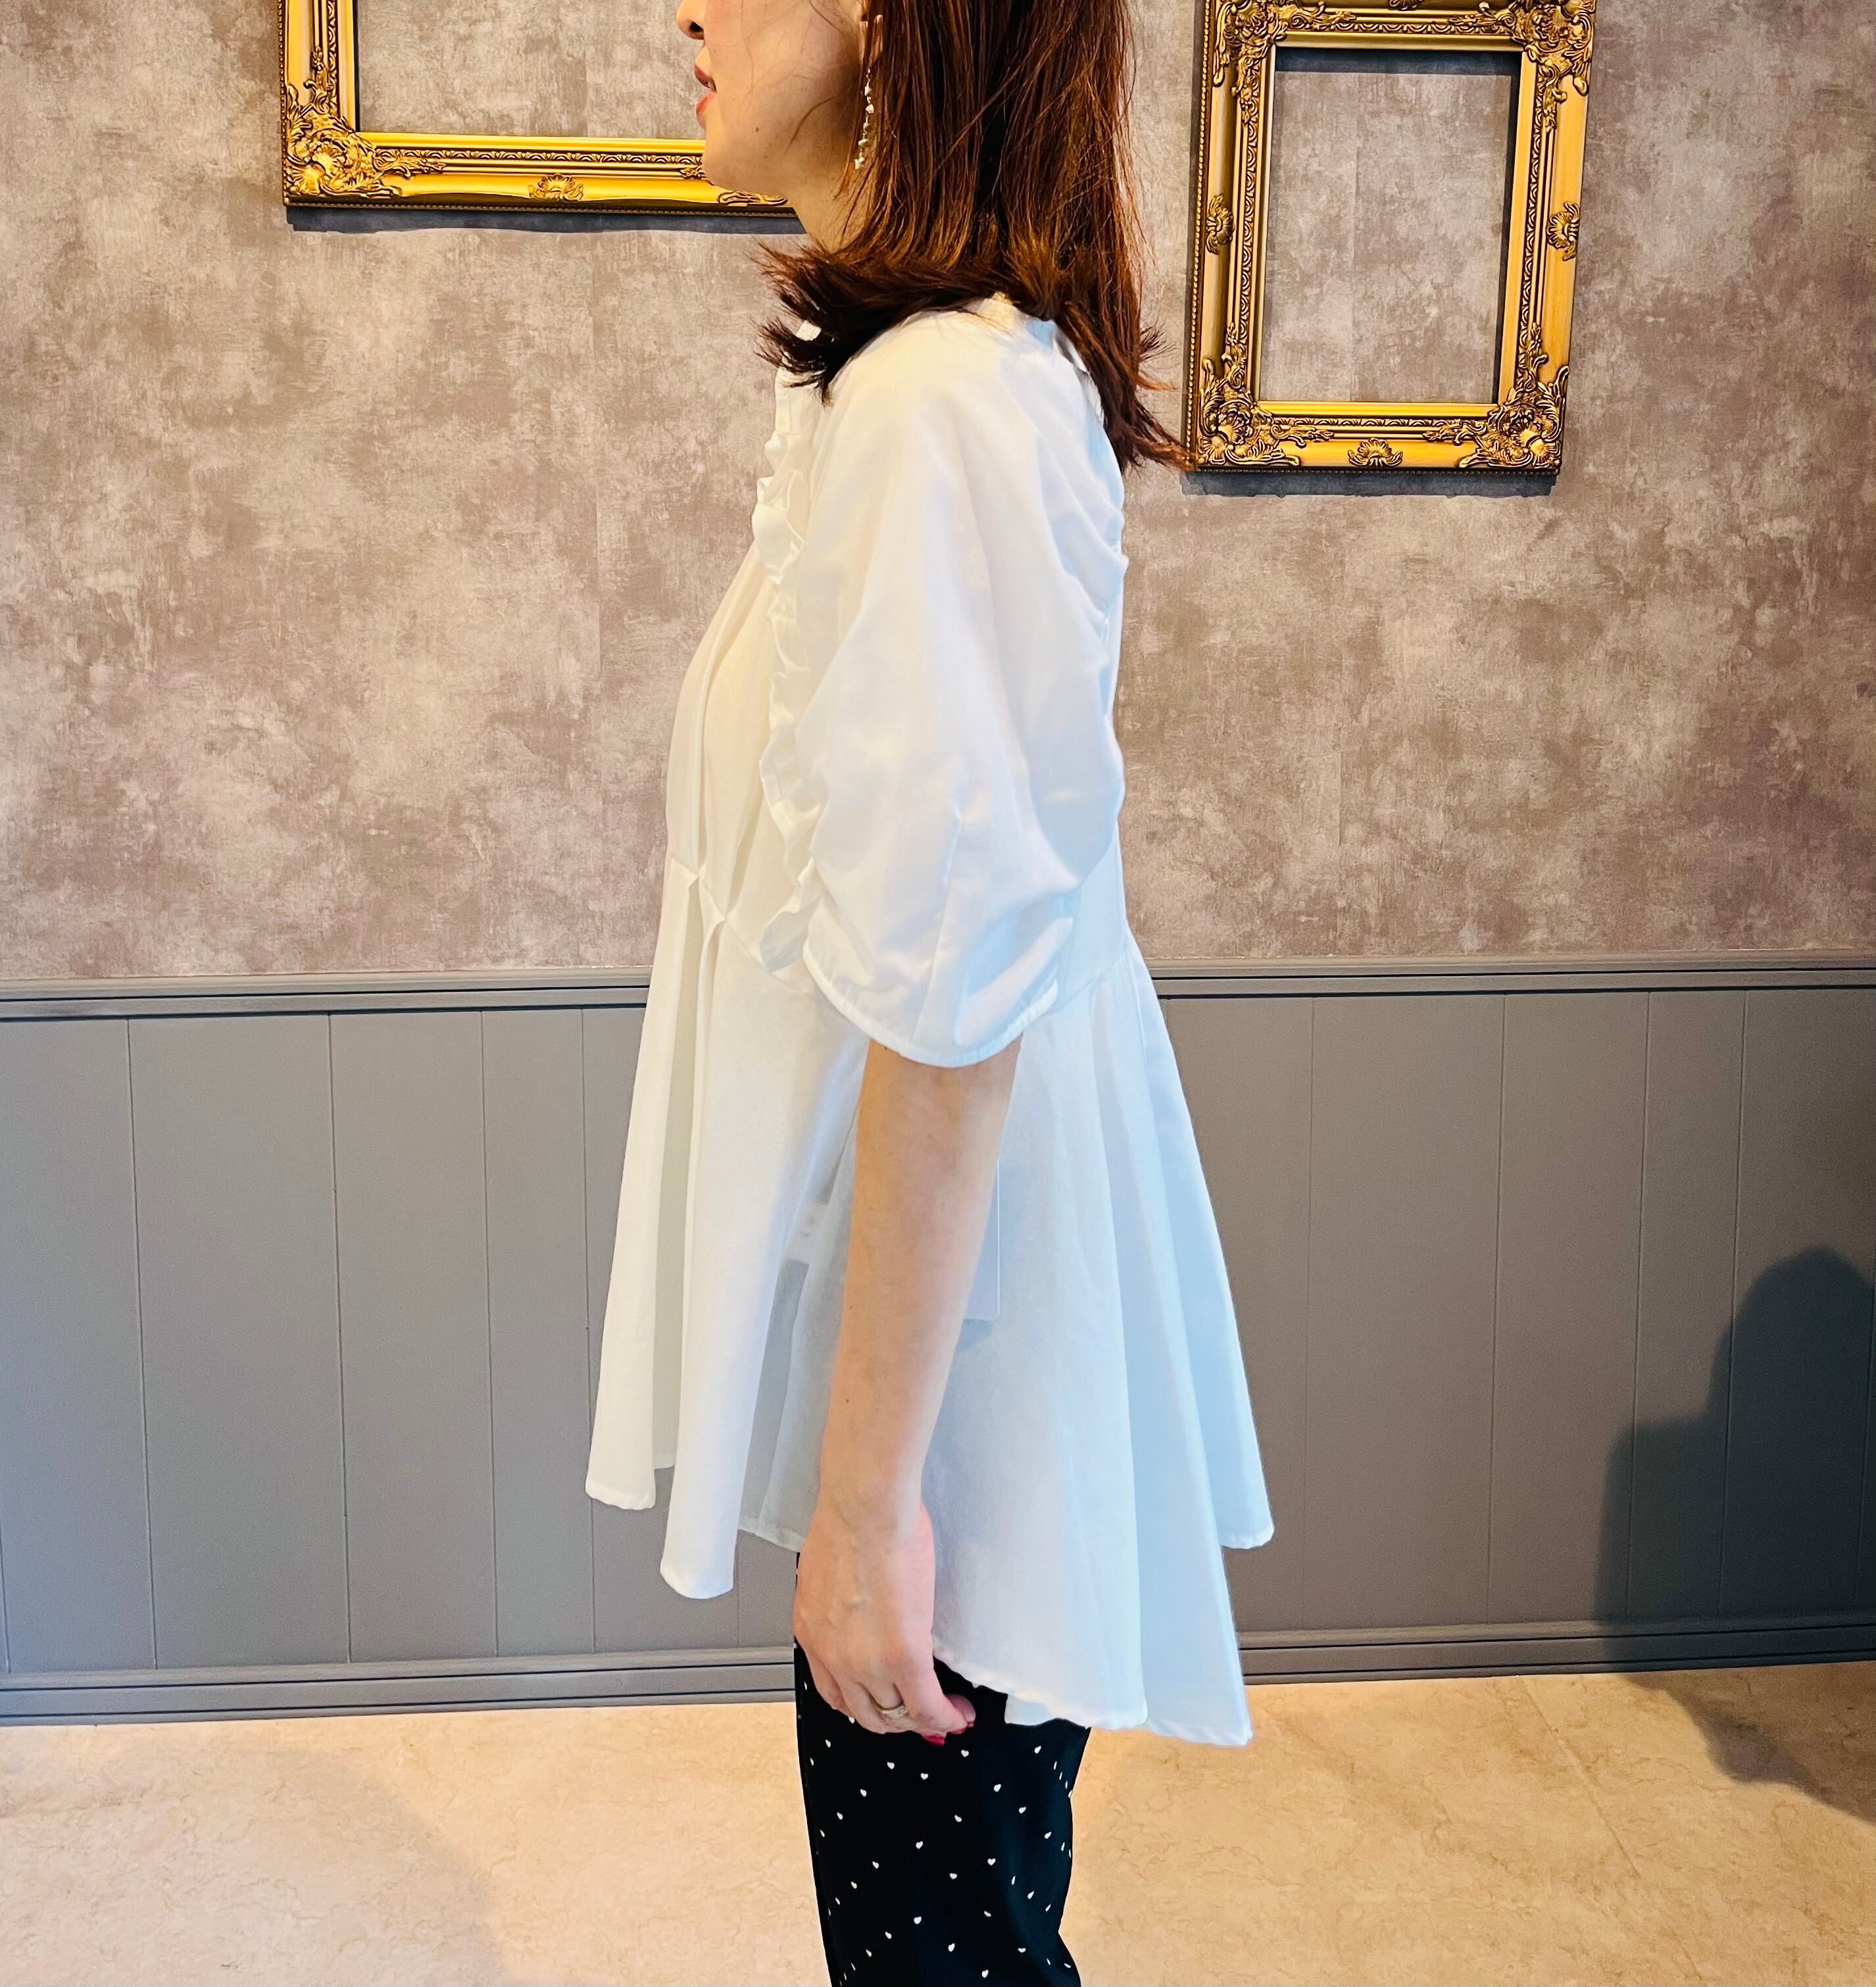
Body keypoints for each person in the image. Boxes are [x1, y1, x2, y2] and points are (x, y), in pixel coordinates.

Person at [584, 0, 1276, 1978]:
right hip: (939, 1332)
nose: (686, 10)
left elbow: (955, 1015)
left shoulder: (937, 410)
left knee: (945, 1952)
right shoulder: (898, 388)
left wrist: (874, 1508)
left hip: (968, 1379)